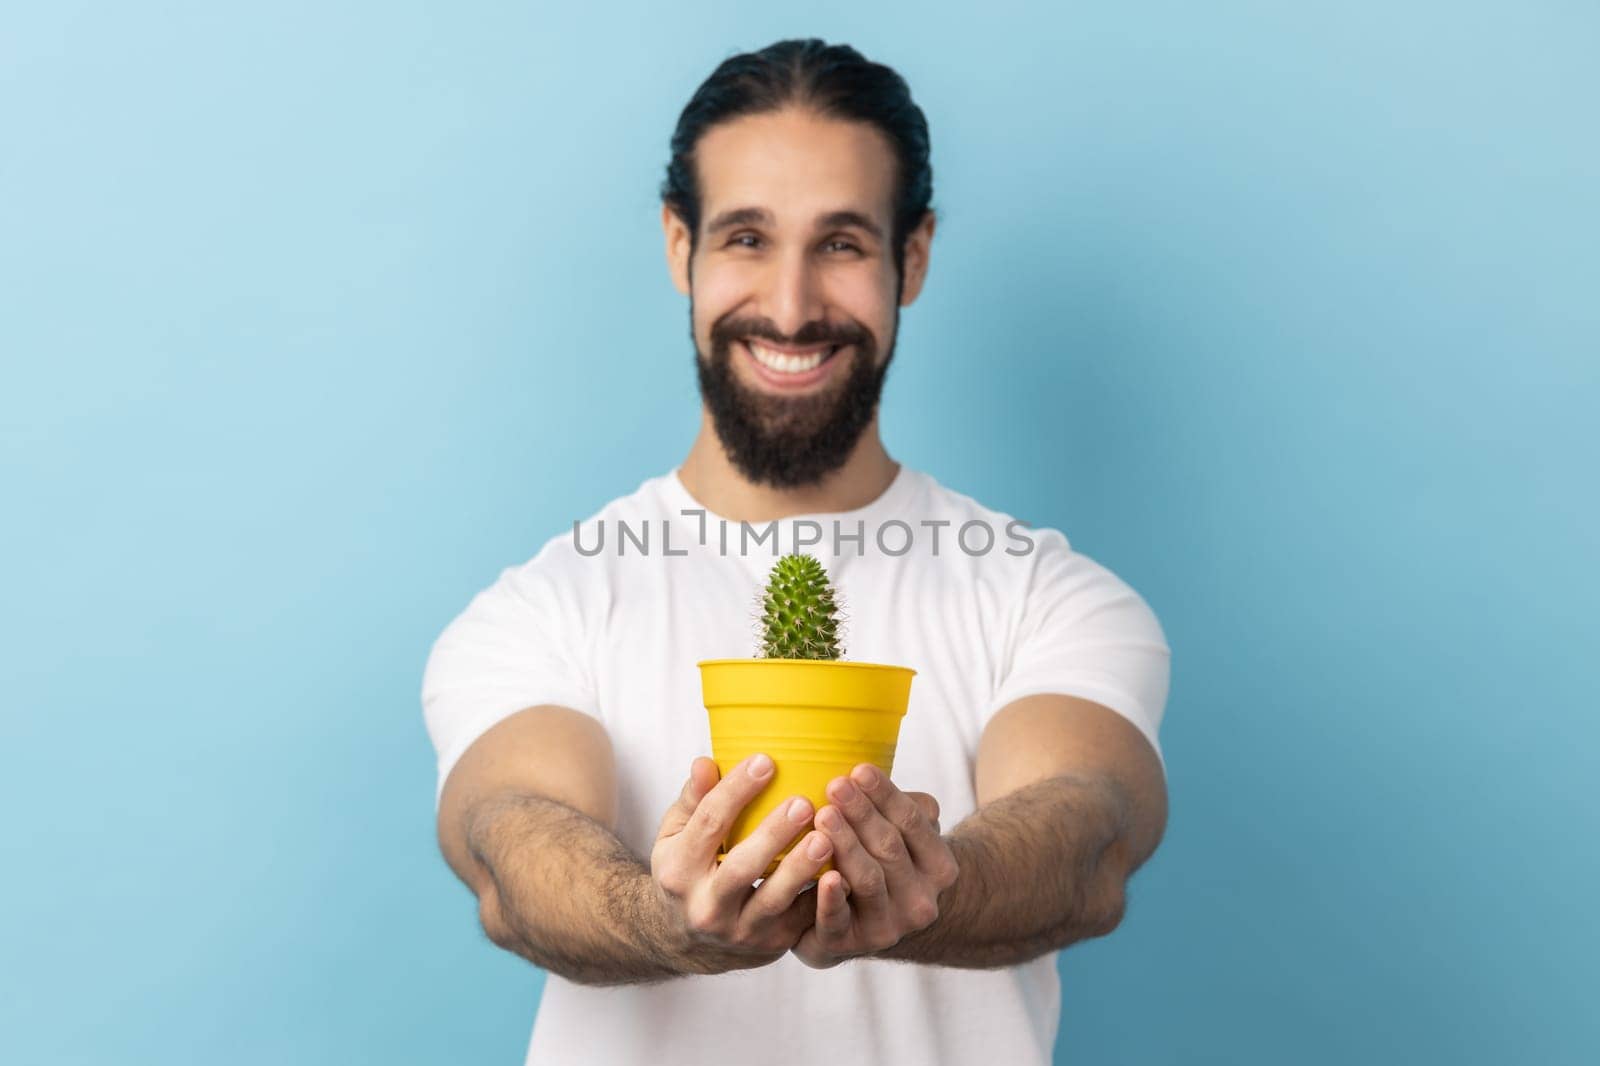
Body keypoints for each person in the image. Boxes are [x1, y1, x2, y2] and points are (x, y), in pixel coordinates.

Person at [421, 37, 1171, 1066]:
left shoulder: (1046, 596)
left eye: (842, 244)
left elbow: (1091, 837)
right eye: (745, 239)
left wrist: (923, 887)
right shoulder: (546, 607)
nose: (788, 306)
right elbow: (510, 850)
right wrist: (664, 919)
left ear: (912, 257)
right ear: (679, 247)